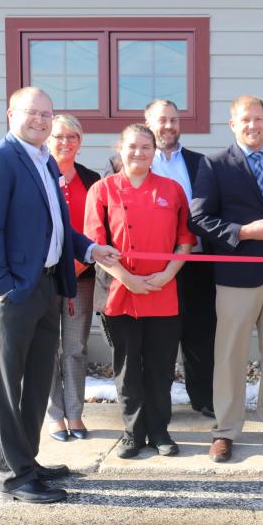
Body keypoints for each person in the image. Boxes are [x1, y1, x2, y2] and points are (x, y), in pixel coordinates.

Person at [0, 87, 118, 503]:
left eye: (46, 114)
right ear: (11, 114)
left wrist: (88, 248)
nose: (40, 119)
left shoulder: (44, 160)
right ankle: (14, 476)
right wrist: (4, 287)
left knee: (36, 381)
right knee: (7, 385)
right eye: (32, 112)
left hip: (50, 285)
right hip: (15, 292)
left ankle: (28, 461)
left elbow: (56, 226)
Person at [190, 95, 263, 463]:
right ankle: (225, 430)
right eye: (245, 120)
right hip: (237, 272)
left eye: (259, 119)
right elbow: (200, 219)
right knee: (230, 354)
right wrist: (245, 232)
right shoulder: (216, 163)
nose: (253, 125)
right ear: (233, 124)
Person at [85, 124, 194, 458]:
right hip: (120, 292)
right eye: (132, 146)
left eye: (146, 147)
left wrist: (167, 274)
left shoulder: (171, 189)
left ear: (154, 151)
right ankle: (133, 433)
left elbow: (185, 240)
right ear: (120, 147)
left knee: (161, 368)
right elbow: (95, 245)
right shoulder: (102, 190)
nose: (139, 153)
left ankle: (160, 431)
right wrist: (128, 279)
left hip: (163, 290)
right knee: (128, 367)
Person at [145, 99, 217, 420]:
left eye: (174, 120)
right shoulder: (128, 160)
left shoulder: (201, 163)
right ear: (148, 123)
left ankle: (203, 399)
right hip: (152, 266)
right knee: (158, 338)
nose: (168, 126)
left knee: (200, 335)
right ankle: (157, 404)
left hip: (197, 263)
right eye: (161, 120)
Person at [45, 114, 100, 443]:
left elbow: (95, 227)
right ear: (48, 139)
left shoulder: (91, 178)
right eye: (58, 136)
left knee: (76, 347)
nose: (65, 142)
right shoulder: (39, 173)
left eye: (72, 137)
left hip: (81, 276)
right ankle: (55, 415)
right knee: (49, 347)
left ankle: (75, 412)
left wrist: (78, 267)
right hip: (48, 276)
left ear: (80, 141)